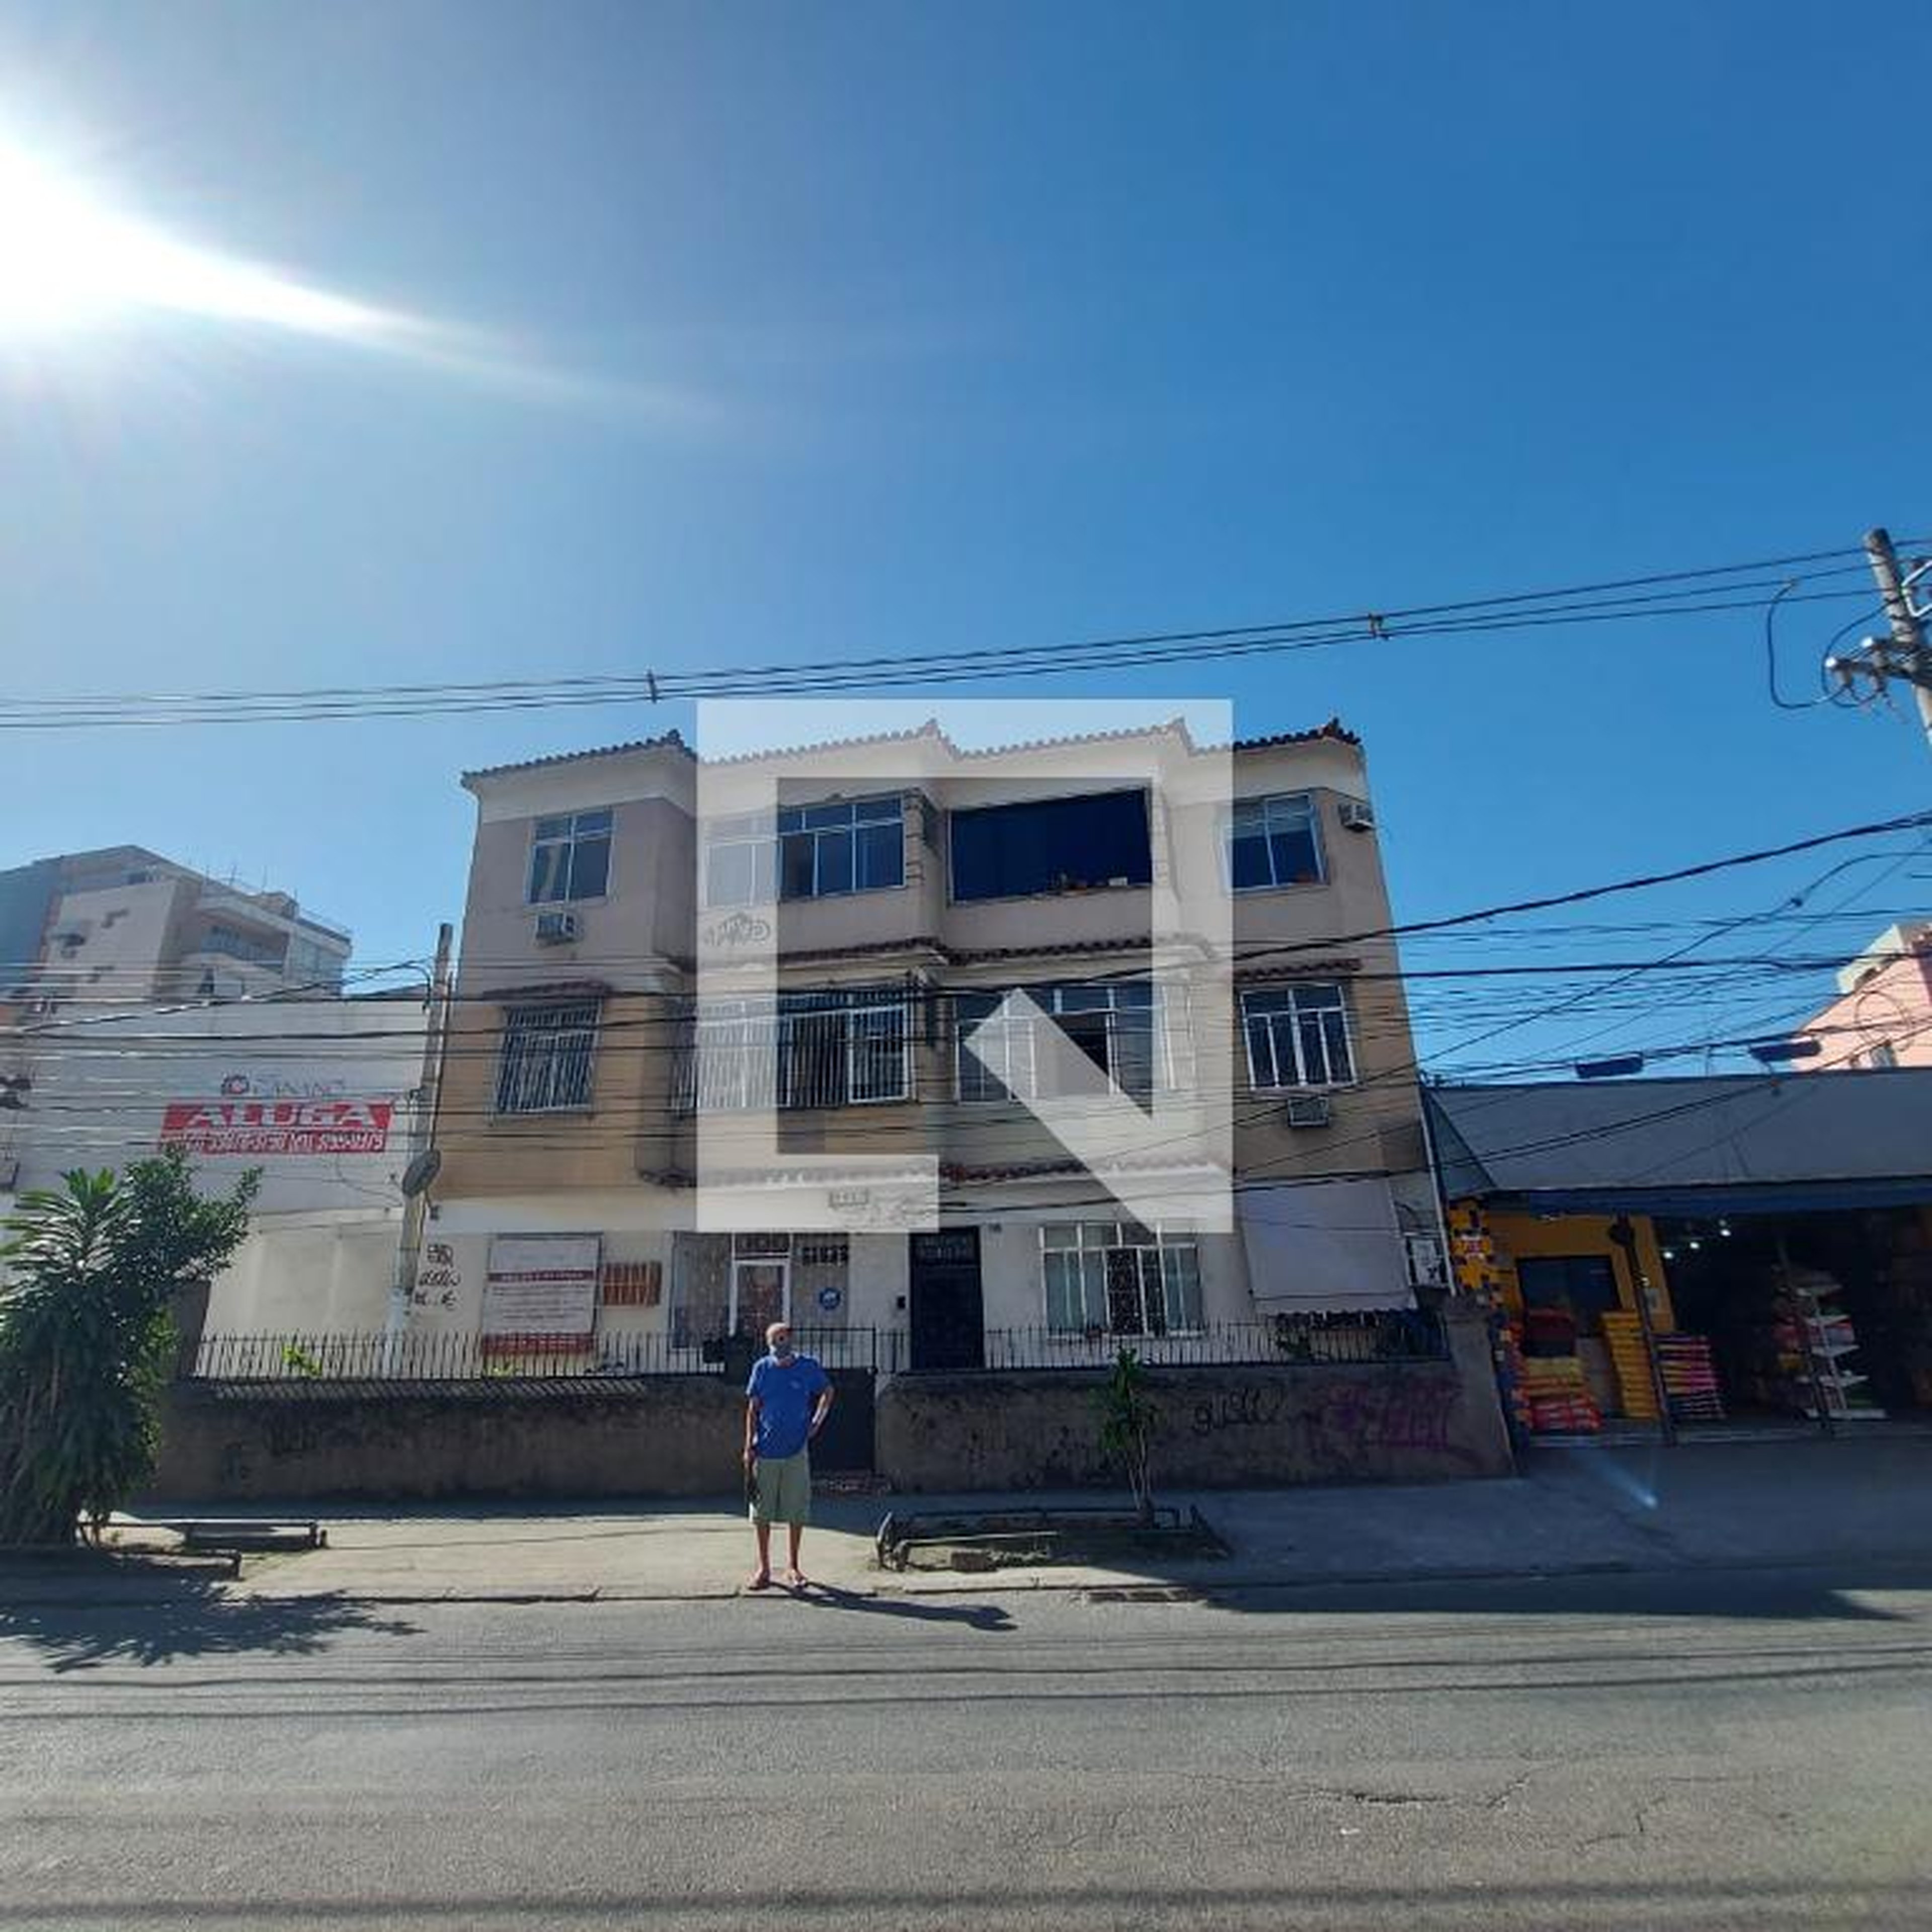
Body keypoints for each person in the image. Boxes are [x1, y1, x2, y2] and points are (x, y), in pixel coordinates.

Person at [743, 1320, 834, 1591]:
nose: (777, 1345)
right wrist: (748, 1447)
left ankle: (793, 1566)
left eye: (781, 1339)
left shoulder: (808, 1367)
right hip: (765, 1450)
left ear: (791, 1339)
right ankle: (764, 1568)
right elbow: (753, 1409)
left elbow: (828, 1392)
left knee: (796, 1510)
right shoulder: (762, 1368)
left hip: (796, 1450)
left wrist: (817, 1422)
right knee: (762, 1513)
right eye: (772, 1341)